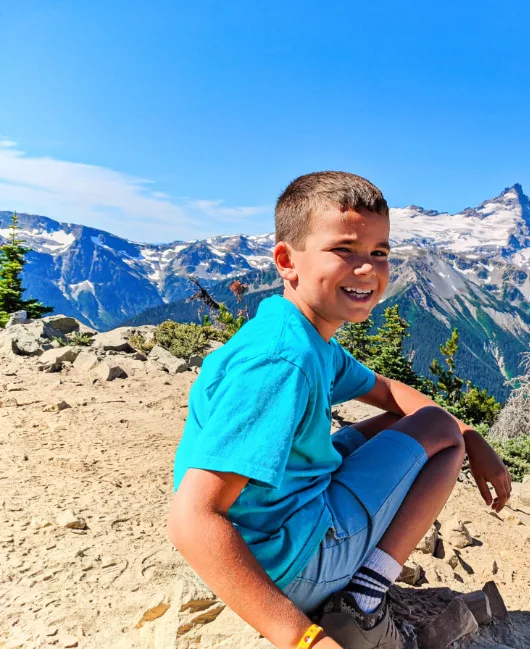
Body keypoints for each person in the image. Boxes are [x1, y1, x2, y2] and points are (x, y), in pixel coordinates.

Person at [167, 171, 512, 649]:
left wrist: (474, 437)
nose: (367, 269)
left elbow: (391, 394)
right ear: (287, 261)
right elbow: (191, 517)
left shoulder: (298, 332)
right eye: (344, 250)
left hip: (272, 535)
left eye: (379, 253)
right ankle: (363, 601)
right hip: (288, 566)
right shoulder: (282, 363)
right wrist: (300, 638)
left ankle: (353, 582)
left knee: (418, 422)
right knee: (438, 429)